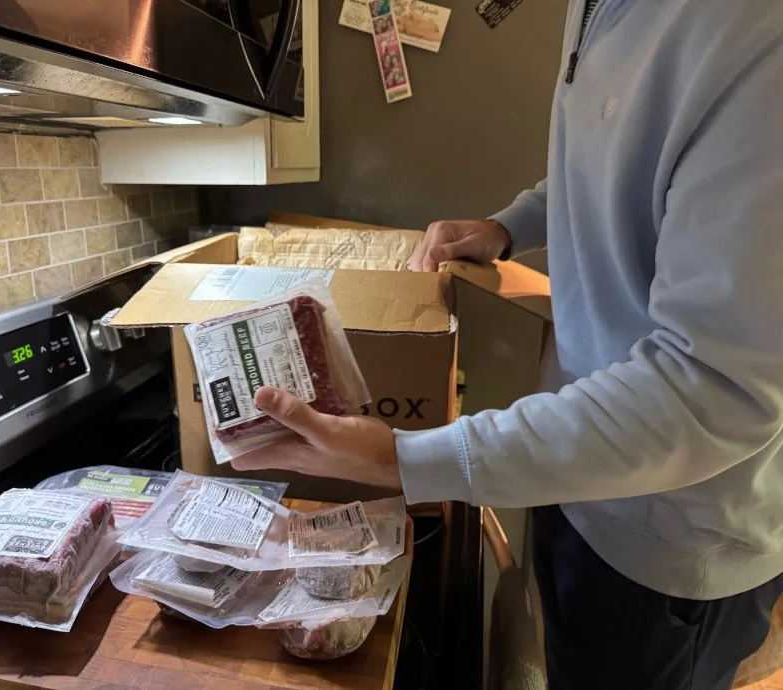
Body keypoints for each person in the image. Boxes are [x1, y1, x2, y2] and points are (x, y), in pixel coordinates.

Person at [233, 2, 783, 688]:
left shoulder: (759, 37)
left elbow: (714, 392)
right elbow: (613, 155)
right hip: (578, 471)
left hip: (673, 536)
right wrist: (509, 225)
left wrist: (405, 459)